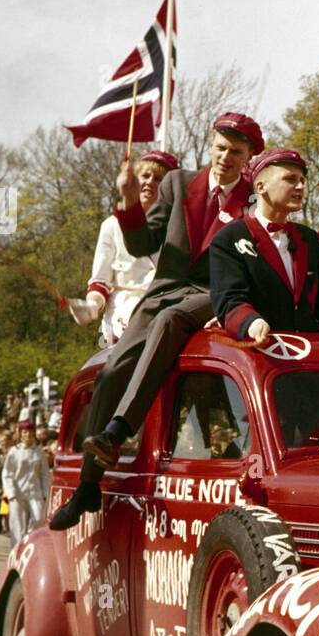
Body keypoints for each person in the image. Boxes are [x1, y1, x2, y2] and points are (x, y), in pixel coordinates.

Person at [50, 112, 263, 530]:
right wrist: (129, 201)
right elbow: (142, 241)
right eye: (220, 148)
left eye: (236, 153)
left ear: (249, 157)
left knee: (170, 320)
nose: (225, 158)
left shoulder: (254, 201)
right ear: (211, 144)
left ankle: (116, 432)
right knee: (112, 369)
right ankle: (88, 488)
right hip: (165, 288)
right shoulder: (179, 184)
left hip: (213, 294)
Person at [210, 149, 319, 346]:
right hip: (259, 354)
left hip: (305, 357)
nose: (300, 186)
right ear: (261, 186)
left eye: (302, 180)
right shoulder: (228, 239)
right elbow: (229, 302)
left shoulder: (308, 238)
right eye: (290, 179)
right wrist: (252, 323)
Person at [68, 150, 178, 345]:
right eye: (145, 176)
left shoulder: (179, 228)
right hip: (122, 321)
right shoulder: (111, 226)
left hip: (167, 316)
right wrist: (92, 306)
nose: (150, 182)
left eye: (159, 179)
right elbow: (100, 282)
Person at [2, 420, 51, 543]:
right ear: (20, 434)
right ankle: (16, 553)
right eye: (25, 432)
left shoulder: (39, 452)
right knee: (17, 526)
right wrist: (11, 493)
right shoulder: (14, 451)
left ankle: (28, 543)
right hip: (18, 493)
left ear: (34, 433)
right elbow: (7, 474)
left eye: (30, 432)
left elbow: (44, 475)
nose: (28, 435)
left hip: (35, 492)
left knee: (39, 518)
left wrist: (46, 493)